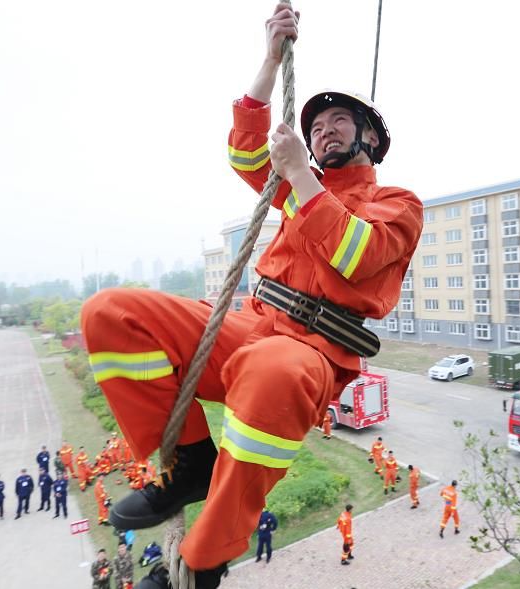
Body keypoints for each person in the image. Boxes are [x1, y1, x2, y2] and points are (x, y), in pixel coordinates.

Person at [80, 5, 422, 587]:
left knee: (272, 370)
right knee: (111, 313)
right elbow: (244, 152)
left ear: (370, 138)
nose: (323, 131)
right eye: (316, 128)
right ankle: (187, 464)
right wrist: (268, 62)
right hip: (252, 326)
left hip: (312, 353)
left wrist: (300, 175)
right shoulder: (293, 185)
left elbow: (355, 254)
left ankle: (205, 555)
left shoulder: (397, 203)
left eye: (338, 122)